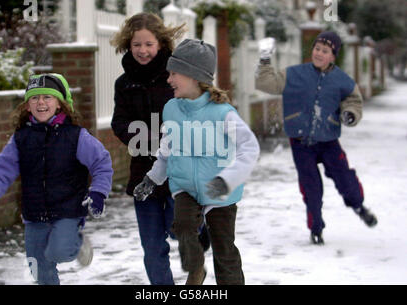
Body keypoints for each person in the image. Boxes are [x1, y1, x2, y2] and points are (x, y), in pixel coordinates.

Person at [134, 39, 260, 285]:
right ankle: (196, 269)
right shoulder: (171, 109)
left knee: (224, 250)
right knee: (182, 226)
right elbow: (167, 148)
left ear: (193, 76)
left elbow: (249, 147)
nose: (168, 79)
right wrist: (152, 178)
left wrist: (227, 180)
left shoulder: (222, 113)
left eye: (174, 73)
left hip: (220, 191)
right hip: (185, 187)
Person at [0, 73, 113, 284]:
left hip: (67, 211)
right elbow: (3, 169)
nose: (41, 102)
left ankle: (77, 242)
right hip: (34, 213)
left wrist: (98, 192)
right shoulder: (21, 138)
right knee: (38, 267)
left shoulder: (76, 136)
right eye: (35, 98)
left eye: (48, 97)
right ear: (27, 106)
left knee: (58, 252)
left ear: (60, 104)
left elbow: (101, 163)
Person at [255, 31, 377, 245]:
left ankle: (359, 206)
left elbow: (354, 101)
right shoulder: (295, 74)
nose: (319, 53)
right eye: (317, 49)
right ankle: (316, 227)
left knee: (345, 178)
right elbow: (266, 83)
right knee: (311, 186)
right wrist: (265, 57)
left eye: (325, 51)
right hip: (301, 143)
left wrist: (350, 114)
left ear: (333, 56)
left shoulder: (342, 81)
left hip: (328, 140)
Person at [110, 13, 191, 285]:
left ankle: (197, 238)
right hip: (142, 170)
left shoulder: (176, 76)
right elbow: (118, 121)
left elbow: (193, 112)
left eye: (148, 44)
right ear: (128, 45)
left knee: (178, 229)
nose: (142, 50)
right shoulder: (124, 84)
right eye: (136, 45)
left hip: (177, 171)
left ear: (161, 43)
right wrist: (144, 140)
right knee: (152, 245)